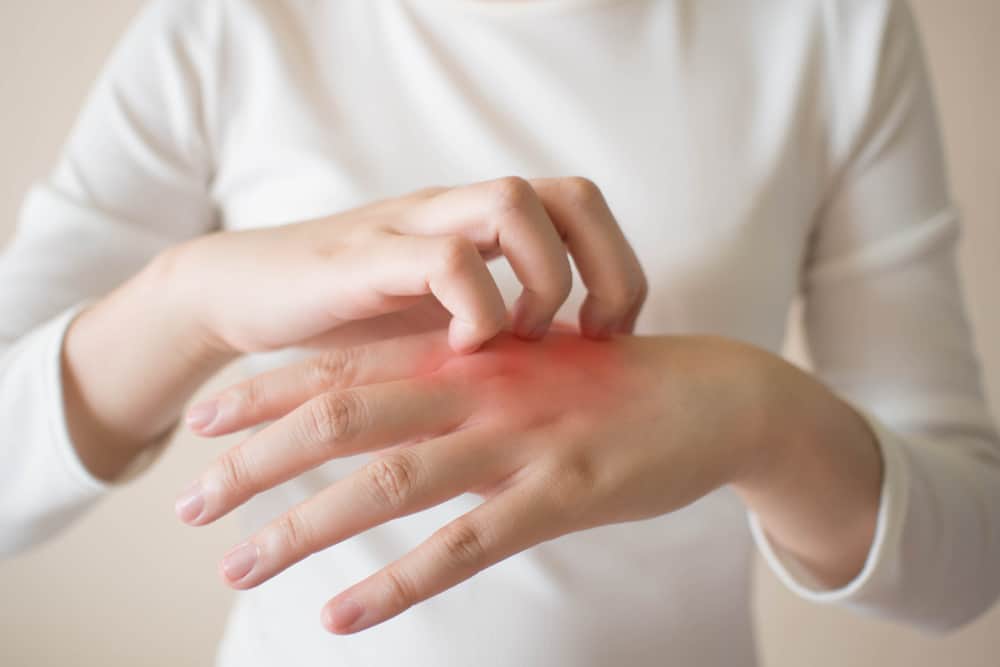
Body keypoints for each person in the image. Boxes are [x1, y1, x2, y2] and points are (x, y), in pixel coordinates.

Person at [1, 0, 997, 665]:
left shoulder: (828, 25)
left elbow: (970, 559)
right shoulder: (228, 25)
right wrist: (187, 303)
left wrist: (760, 415)